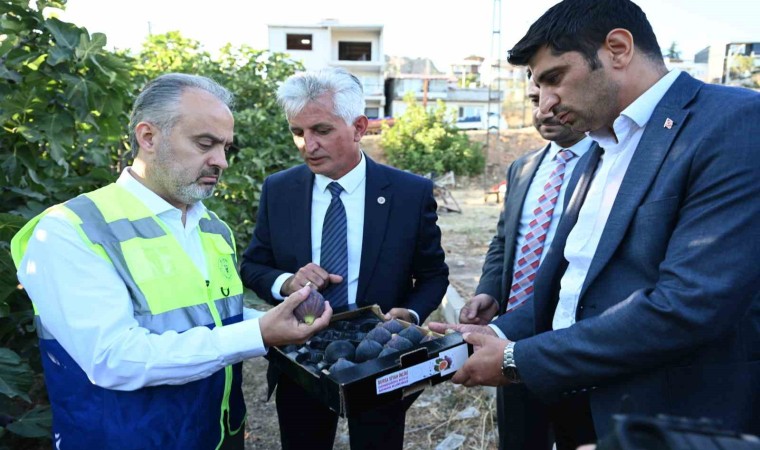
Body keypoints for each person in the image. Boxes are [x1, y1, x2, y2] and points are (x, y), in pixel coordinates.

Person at [430, 0, 760, 448]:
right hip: (582, 403)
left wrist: (517, 360)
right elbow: (574, 288)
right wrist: (497, 333)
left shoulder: (734, 122)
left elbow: (689, 305)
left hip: (667, 414)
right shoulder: (597, 149)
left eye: (554, 78)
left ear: (618, 49)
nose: (544, 104)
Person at [10, 73, 333, 450]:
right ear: (148, 137)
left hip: (216, 435)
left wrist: (274, 319)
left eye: (226, 146)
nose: (222, 161)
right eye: (205, 144)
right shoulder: (71, 230)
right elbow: (114, 358)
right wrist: (257, 333)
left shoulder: (213, 227)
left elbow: (210, 316)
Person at [239, 66, 449, 450]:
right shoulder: (279, 189)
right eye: (297, 132)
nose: (307, 145)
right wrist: (286, 282)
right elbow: (252, 265)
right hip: (300, 358)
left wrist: (411, 315)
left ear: (358, 127)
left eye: (321, 130)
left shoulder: (409, 193)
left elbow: (434, 276)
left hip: (379, 359)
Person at [460, 78, 599, 450]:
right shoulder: (523, 168)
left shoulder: (611, 167)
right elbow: (504, 240)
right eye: (534, 100)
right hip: (508, 338)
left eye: (553, 98)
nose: (543, 111)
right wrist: (488, 290)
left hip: (575, 341)